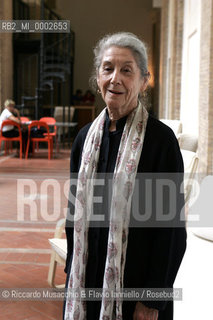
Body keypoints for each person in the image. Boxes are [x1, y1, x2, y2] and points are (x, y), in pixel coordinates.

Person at [64, 32, 186, 320]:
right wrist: (72, 273)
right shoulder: (84, 139)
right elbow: (74, 214)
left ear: (143, 80)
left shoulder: (160, 141)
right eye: (108, 68)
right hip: (87, 284)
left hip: (136, 290)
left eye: (126, 70)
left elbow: (171, 232)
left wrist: (152, 301)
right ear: (97, 77)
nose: (115, 78)